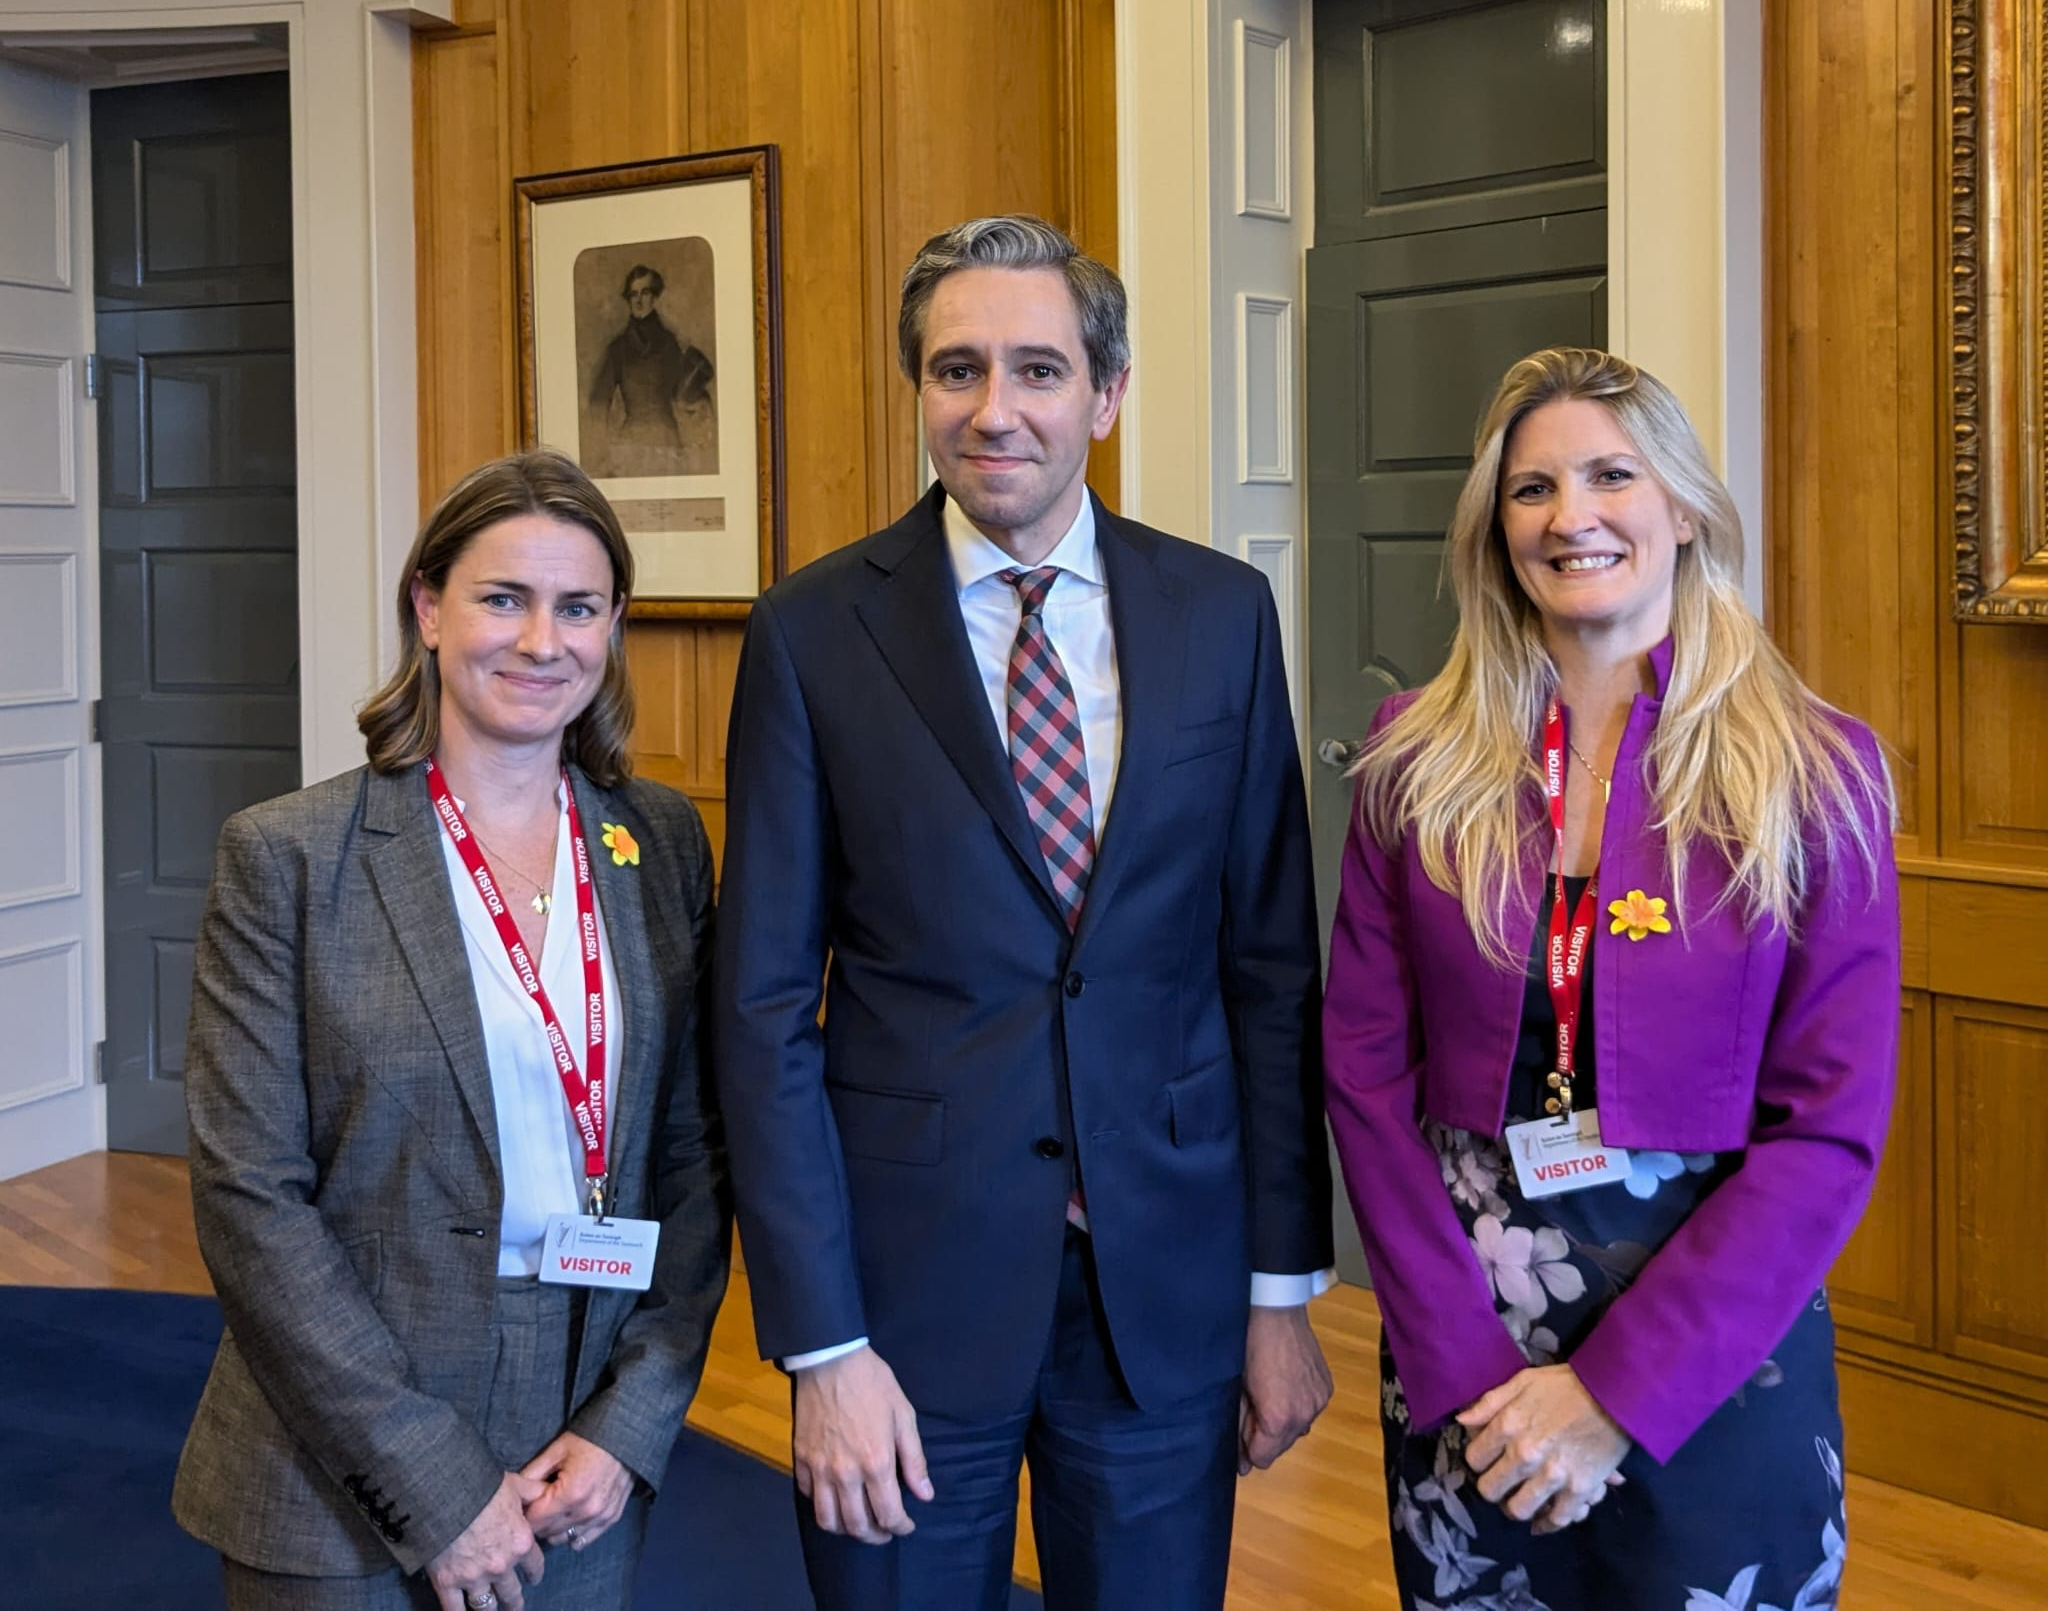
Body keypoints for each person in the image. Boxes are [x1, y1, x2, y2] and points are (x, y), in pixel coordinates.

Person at [714, 214, 1336, 1610]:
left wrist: (1279, 1290)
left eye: (1038, 369)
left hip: (1161, 1296)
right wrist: (821, 1345)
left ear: (1106, 395)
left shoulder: (1224, 614)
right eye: (958, 369)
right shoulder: (812, 633)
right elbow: (762, 1010)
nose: (995, 409)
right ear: (919, 389)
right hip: (903, 1312)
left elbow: (1269, 973)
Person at [1324, 347, 1899, 1609]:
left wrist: (1610, 1395)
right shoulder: (1410, 762)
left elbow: (1828, 1126)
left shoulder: (1818, 774)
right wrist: (1463, 1364)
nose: (1568, 516)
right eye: (1530, 489)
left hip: (1718, 1347)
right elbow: (1363, 1075)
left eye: (1609, 476)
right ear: (1494, 530)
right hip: (1469, 1344)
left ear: (1682, 508)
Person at [171, 449, 731, 1611]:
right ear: (428, 608)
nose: (541, 641)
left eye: (577, 607)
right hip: (333, 1456)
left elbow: (695, 1156)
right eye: (502, 598)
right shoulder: (289, 857)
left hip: (579, 1443)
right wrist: (430, 1485)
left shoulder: (659, 843)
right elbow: (248, 1198)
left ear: (612, 625)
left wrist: (628, 1425)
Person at [585, 263, 716, 477]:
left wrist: (695, 385)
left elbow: (683, 396)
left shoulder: (670, 344)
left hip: (667, 442)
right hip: (631, 445)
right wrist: (602, 452)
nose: (638, 300)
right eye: (633, 294)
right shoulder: (618, 348)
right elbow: (598, 404)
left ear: (654, 297)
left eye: (645, 292)